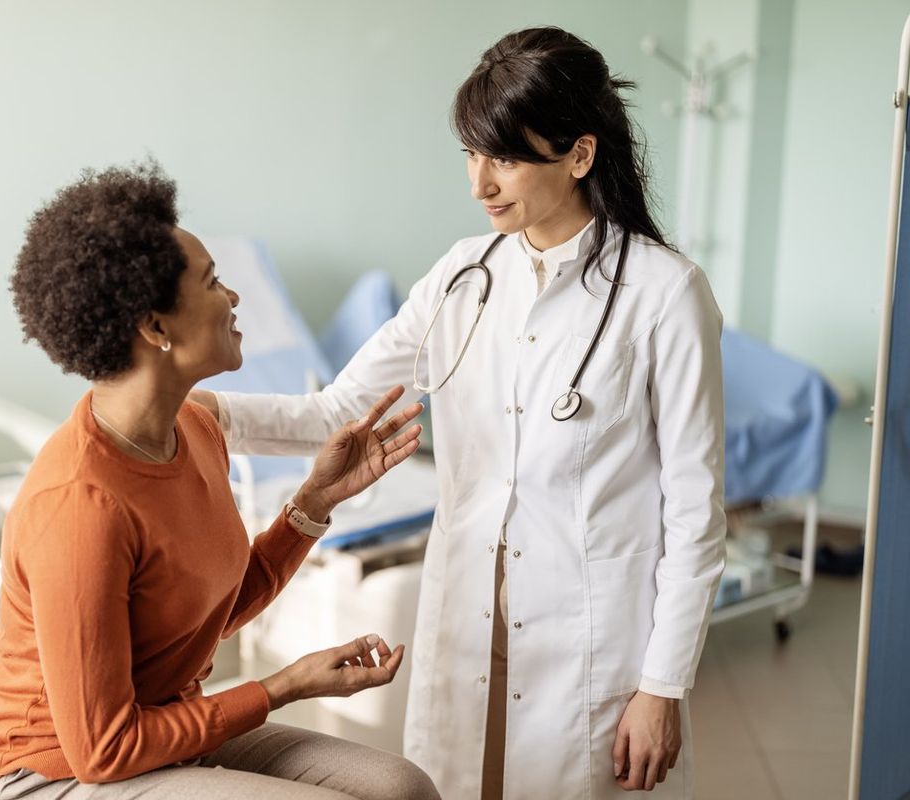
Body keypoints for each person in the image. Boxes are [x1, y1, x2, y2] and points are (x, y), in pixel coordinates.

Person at [192, 26, 726, 800]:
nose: (480, 183)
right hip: (468, 618)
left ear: (579, 155)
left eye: (505, 157)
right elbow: (342, 408)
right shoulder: (461, 278)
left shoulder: (664, 295)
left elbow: (694, 510)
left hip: (592, 637)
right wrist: (201, 410)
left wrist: (662, 686)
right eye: (471, 154)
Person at [0, 162, 440, 800]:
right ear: (155, 329)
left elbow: (204, 618)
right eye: (213, 282)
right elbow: (105, 749)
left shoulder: (197, 427)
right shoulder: (79, 504)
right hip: (50, 773)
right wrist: (282, 686)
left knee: (401, 789)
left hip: (164, 727)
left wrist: (316, 500)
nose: (234, 298)